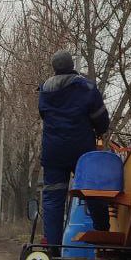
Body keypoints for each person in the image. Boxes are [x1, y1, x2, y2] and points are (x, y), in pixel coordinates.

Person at [38, 50, 111, 249]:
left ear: (54, 68)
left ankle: (53, 250)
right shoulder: (86, 88)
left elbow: (44, 115)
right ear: (72, 65)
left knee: (53, 198)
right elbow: (101, 120)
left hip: (53, 152)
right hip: (82, 151)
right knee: (93, 190)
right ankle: (103, 235)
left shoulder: (45, 90)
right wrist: (98, 129)